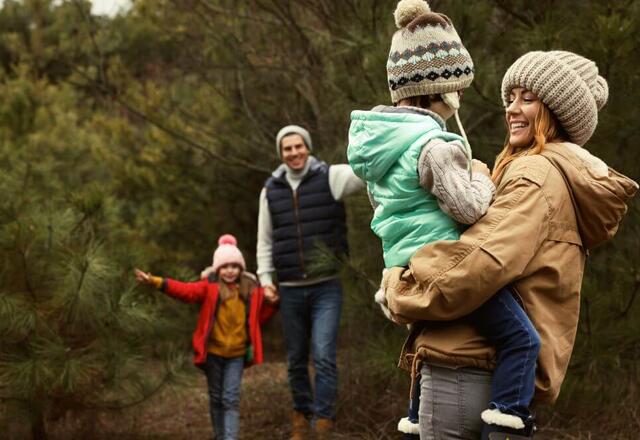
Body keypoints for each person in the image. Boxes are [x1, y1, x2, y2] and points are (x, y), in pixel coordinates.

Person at [381, 49, 638, 439]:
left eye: (527, 98)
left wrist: (398, 286)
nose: (512, 109)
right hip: (480, 367)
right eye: (510, 98)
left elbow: (474, 267)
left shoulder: (534, 174)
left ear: (556, 112)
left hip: (466, 366)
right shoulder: (541, 172)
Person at [348, 0, 543, 437]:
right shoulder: (435, 146)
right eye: (458, 88)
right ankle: (508, 416)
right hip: (444, 262)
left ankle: (418, 416)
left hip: (404, 265)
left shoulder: (380, 145)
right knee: (523, 339)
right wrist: (481, 175)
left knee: (425, 340)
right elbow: (470, 208)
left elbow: (387, 207)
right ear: (444, 89)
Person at [256, 124, 364, 439]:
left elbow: (364, 171)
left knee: (324, 354)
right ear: (281, 153)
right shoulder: (271, 189)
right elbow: (264, 240)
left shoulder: (330, 177)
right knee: (296, 359)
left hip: (326, 286)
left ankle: (324, 421)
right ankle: (300, 417)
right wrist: (265, 278)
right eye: (287, 148)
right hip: (289, 289)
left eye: (298, 146)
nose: (293, 153)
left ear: (307, 147)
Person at [135, 234, 278, 440]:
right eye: (225, 266)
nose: (230, 271)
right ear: (217, 269)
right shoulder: (209, 288)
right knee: (216, 397)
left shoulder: (251, 291)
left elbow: (257, 319)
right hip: (213, 353)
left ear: (241, 268)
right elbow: (184, 290)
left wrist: (273, 302)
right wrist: (156, 282)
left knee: (230, 399)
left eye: (234, 266)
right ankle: (220, 436)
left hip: (236, 355)